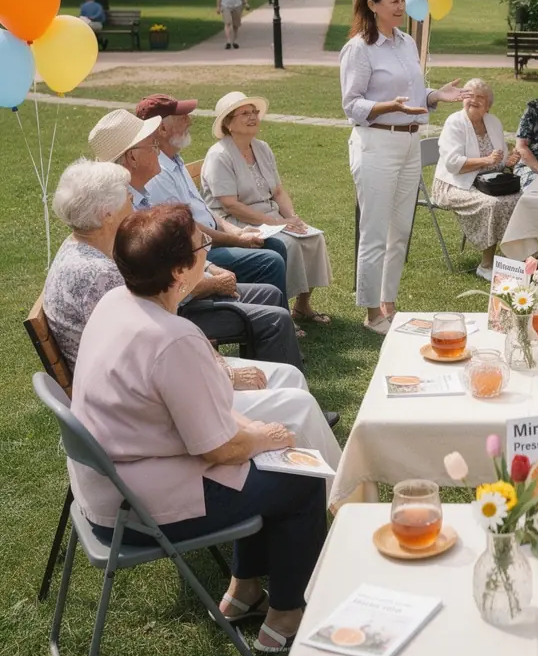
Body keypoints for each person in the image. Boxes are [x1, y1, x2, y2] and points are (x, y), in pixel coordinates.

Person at [70, 204, 328, 652]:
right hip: (137, 508)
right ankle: (286, 618)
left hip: (109, 488)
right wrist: (266, 436)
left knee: (266, 462)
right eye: (200, 247)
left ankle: (244, 592)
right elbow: (220, 450)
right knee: (298, 483)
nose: (206, 251)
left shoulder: (117, 303)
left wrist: (253, 435)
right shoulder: (173, 337)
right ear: (178, 271)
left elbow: (198, 422)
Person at [43, 160, 341, 463]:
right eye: (129, 199)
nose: (135, 206)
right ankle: (329, 492)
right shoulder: (100, 276)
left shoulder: (87, 253)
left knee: (288, 378)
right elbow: (159, 356)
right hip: (142, 413)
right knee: (297, 405)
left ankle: (309, 472)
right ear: (107, 214)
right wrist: (227, 377)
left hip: (140, 397)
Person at [88, 109, 303, 369]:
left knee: (270, 294)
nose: (157, 149)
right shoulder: (125, 212)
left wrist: (211, 268)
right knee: (275, 317)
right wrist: (211, 283)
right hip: (178, 311)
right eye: (151, 144)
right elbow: (157, 290)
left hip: (187, 290)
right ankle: (272, 385)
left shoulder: (137, 198)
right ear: (132, 157)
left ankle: (270, 377)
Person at [339, 0, 467, 334]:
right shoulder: (360, 48)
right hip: (376, 144)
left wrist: (434, 96)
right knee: (375, 231)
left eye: (401, 0)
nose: (401, 7)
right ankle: (371, 314)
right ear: (373, 5)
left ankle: (389, 304)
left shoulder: (407, 42)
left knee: (401, 231)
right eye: (394, 1)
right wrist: (384, 106)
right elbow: (352, 104)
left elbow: (414, 93)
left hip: (410, 142)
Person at [135, 93, 290, 303]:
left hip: (208, 242)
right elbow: (188, 230)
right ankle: (269, 321)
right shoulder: (158, 172)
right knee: (270, 260)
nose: (190, 121)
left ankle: (275, 316)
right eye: (182, 118)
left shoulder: (174, 161)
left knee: (274, 246)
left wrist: (238, 231)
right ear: (162, 129)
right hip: (197, 252)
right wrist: (236, 240)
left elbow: (206, 212)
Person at [202, 92, 334, 327]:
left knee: (313, 238)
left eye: (255, 112)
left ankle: (302, 306)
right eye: (245, 113)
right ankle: (279, 309)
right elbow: (229, 204)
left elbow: (279, 191)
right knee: (289, 244)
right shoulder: (219, 155)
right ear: (228, 123)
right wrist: (275, 224)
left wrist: (291, 218)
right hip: (236, 222)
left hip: (270, 217)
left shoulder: (261, 148)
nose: (253, 117)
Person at [432, 78, 522, 281]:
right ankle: (486, 265)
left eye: (480, 97)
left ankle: (516, 262)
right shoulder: (455, 122)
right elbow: (453, 164)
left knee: (519, 199)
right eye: (469, 96)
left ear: (488, 105)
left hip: (485, 182)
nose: (474, 100)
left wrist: (509, 161)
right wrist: (485, 160)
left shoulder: (493, 122)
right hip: (452, 184)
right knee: (492, 204)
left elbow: (498, 163)